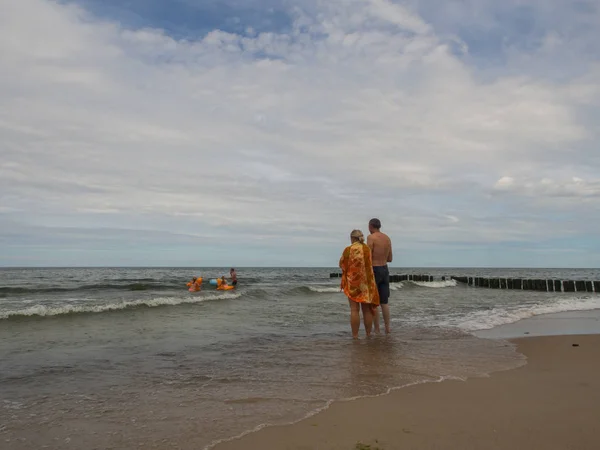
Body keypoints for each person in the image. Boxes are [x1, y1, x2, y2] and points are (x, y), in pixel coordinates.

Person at [339, 229, 380, 339]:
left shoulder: (348, 249)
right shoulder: (367, 249)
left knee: (354, 310)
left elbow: (342, 264)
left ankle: (355, 336)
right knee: (367, 310)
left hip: (353, 282)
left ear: (352, 238)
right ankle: (368, 335)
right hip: (367, 283)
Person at [367, 218, 393, 334]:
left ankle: (377, 329)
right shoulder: (387, 238)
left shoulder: (371, 238)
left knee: (374, 302)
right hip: (384, 268)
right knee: (384, 302)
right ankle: (387, 328)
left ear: (371, 226)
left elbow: (368, 257)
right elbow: (390, 258)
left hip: (374, 269)